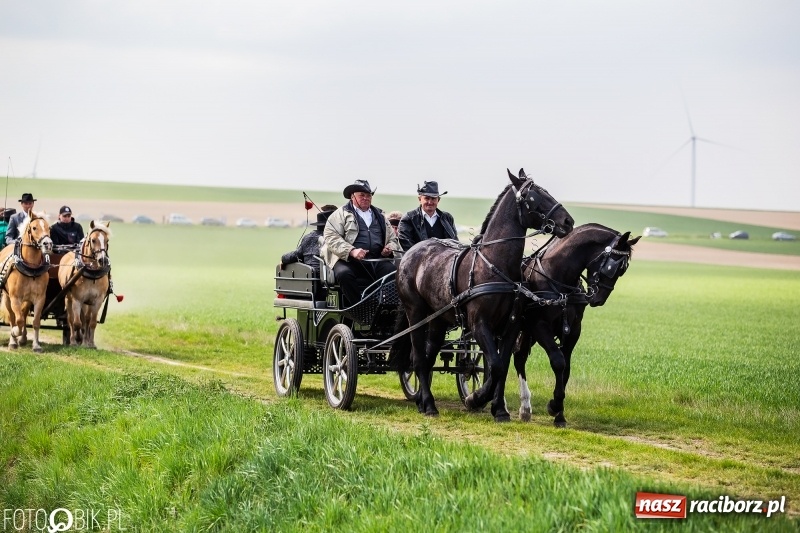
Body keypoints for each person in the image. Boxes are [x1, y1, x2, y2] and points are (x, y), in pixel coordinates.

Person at [321, 179, 401, 307]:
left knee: (392, 272)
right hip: (347, 260)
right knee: (343, 274)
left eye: (368, 195)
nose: (366, 198)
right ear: (352, 196)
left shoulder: (380, 216)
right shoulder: (340, 215)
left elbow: (393, 239)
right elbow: (331, 238)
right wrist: (352, 251)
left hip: (376, 260)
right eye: (361, 195)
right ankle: (359, 307)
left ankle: (387, 308)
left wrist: (390, 248)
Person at [398, 181, 457, 251]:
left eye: (433, 198)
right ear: (420, 199)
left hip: (445, 260)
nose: (430, 202)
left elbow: (455, 242)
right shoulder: (408, 219)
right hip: (418, 260)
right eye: (427, 198)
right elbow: (407, 245)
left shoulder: (447, 218)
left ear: (438, 200)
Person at [280, 204, 337, 274]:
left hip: (308, 277)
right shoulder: (335, 238)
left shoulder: (307, 237)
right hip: (328, 278)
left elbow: (295, 255)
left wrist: (283, 259)